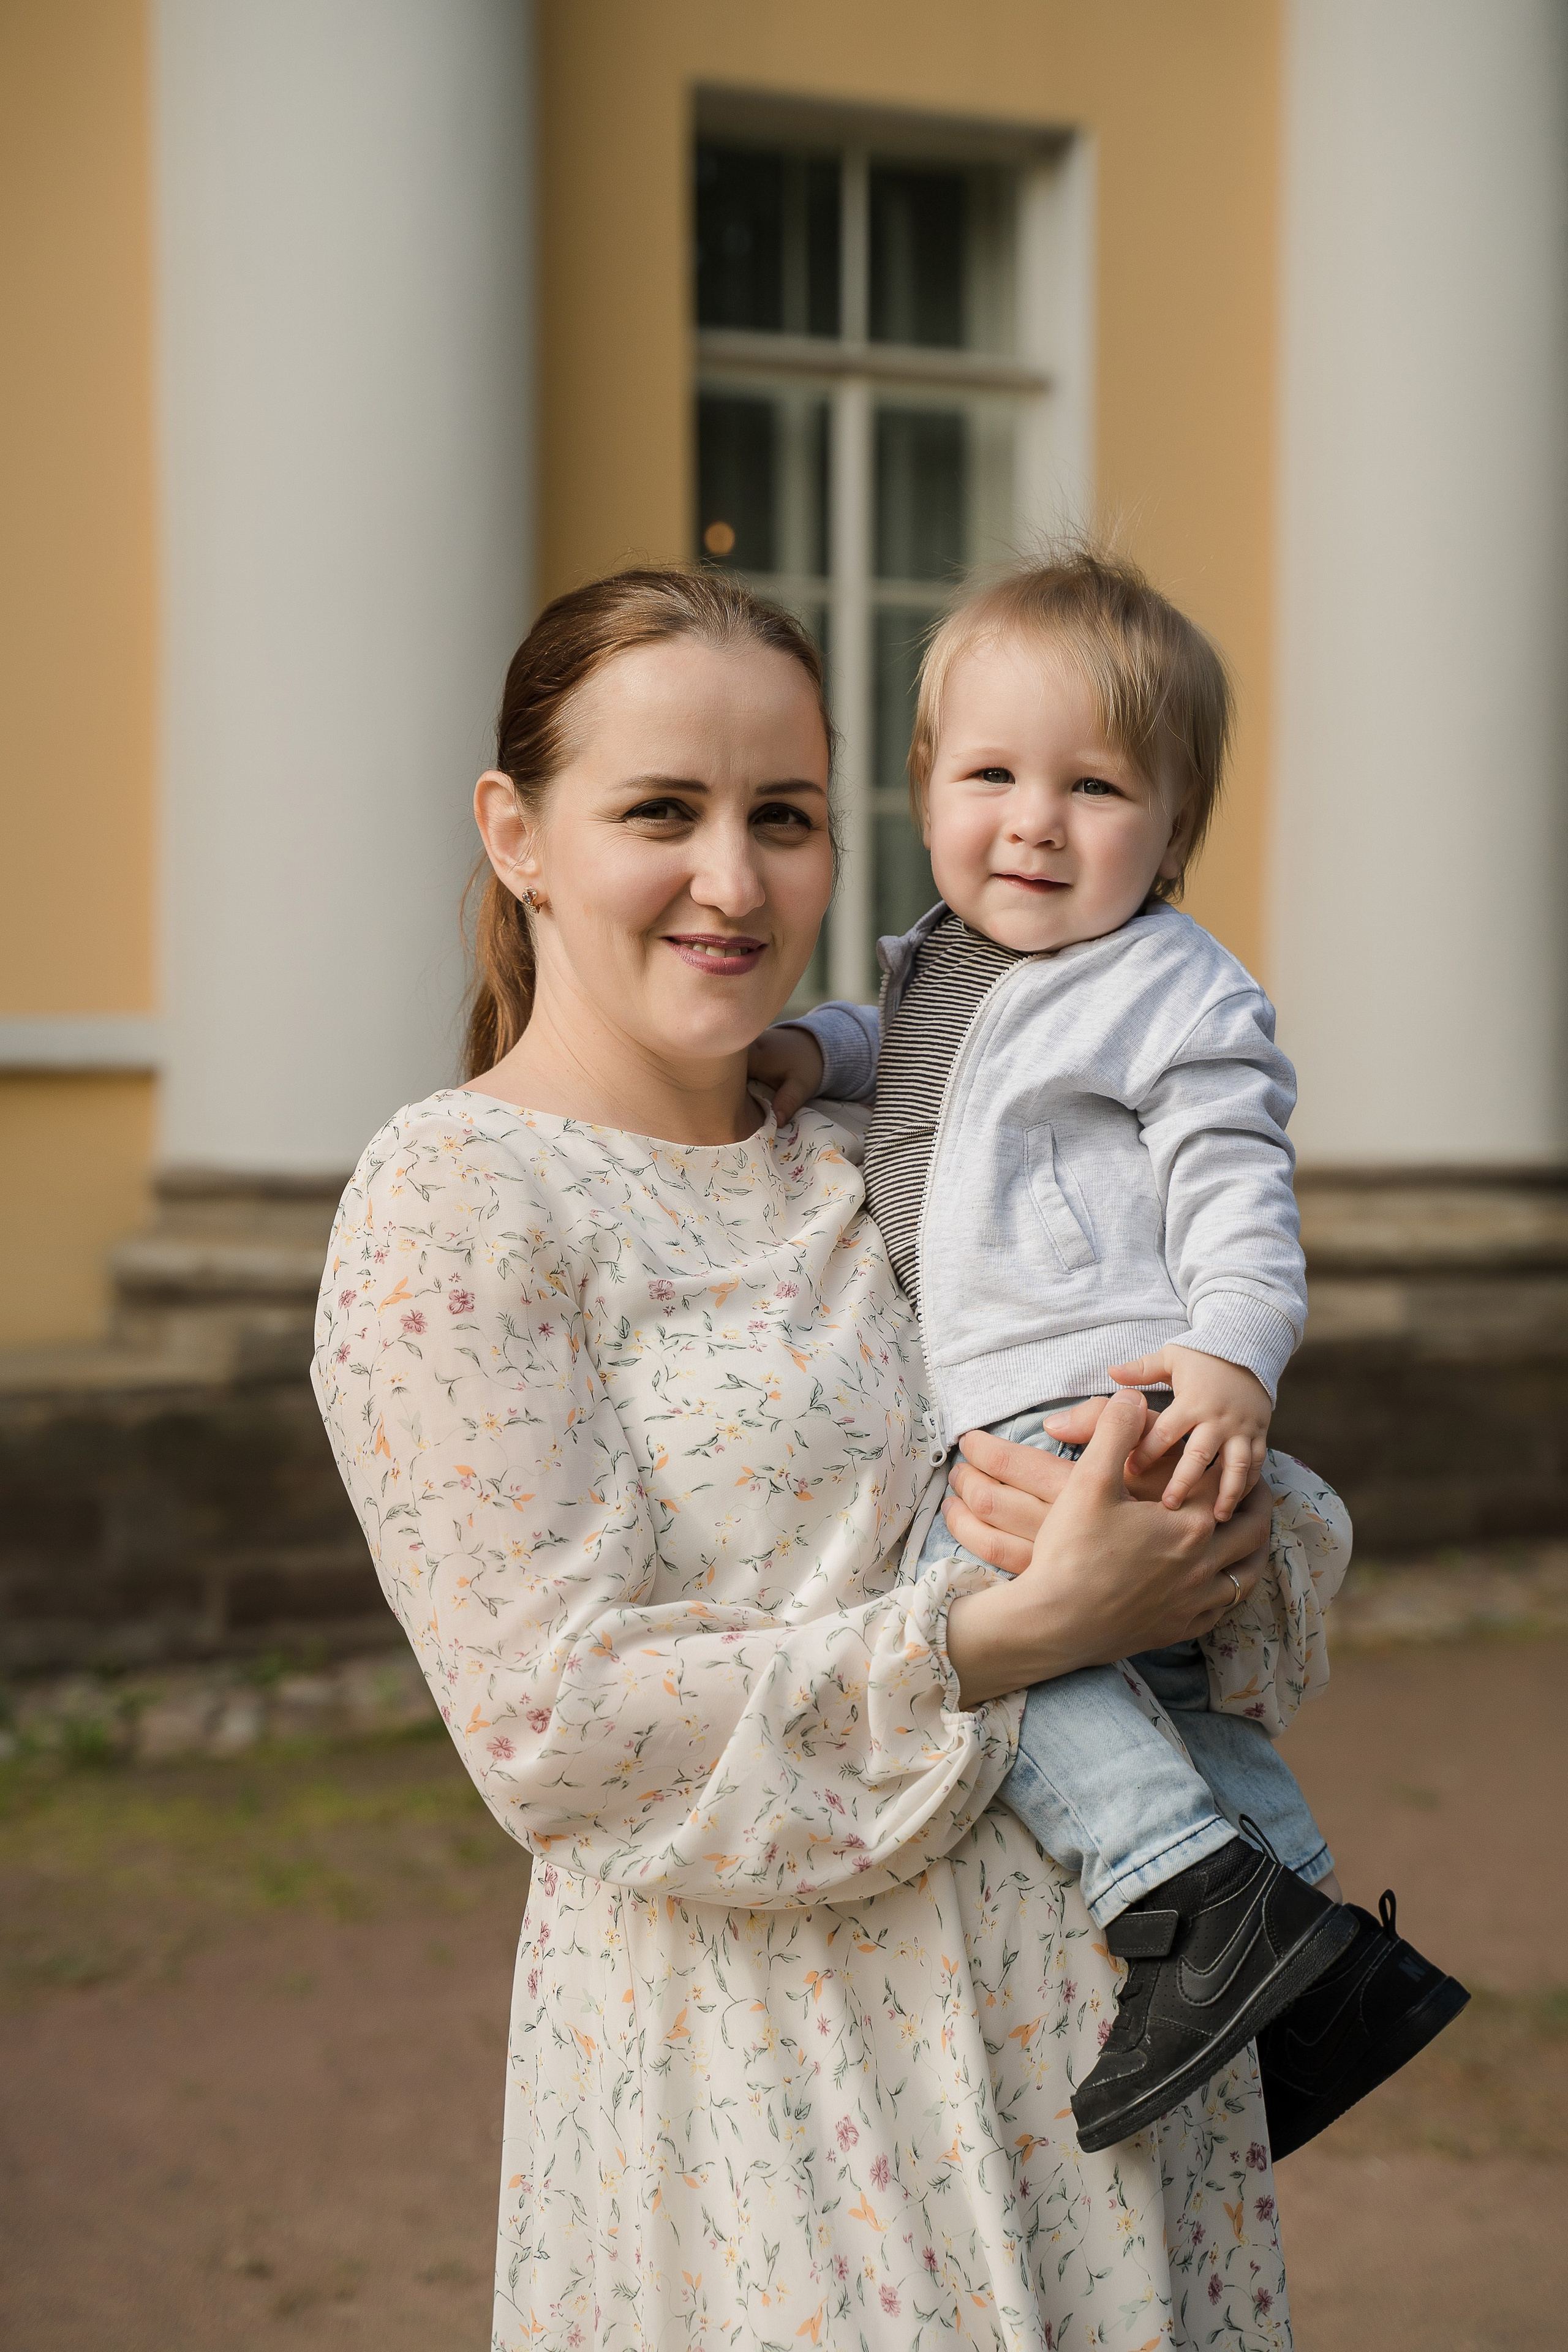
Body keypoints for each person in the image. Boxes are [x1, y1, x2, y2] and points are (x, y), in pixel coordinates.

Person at [316, 566, 1329, 2350]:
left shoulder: (883, 1136)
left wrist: (1196, 1521)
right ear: (518, 833)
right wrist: (1009, 1634)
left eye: (782, 816)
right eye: (661, 812)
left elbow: (1215, 1491)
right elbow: (557, 1728)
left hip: (1109, 2062)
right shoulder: (456, 1205)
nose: (734, 879)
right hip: (776, 2086)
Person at [752, 549, 1467, 2160]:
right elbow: (911, 1049)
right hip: (1026, 1396)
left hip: (1106, 1394)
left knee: (977, 1604)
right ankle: (1319, 1961)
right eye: (991, 774)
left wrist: (1233, 1356)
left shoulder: (1172, 987)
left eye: (1096, 788)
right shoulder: (944, 958)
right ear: (925, 787)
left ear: (1173, 828)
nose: (1035, 822)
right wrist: (813, 1052)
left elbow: (1241, 1191)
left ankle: (1185, 1894)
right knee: (1162, 1696)